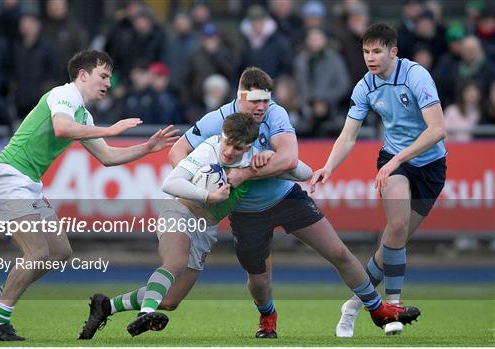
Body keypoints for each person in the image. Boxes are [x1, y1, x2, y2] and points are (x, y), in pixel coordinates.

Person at [168, 66, 421, 339]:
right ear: (240, 97)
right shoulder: (216, 120)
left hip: (286, 197)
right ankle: (267, 315)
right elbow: (177, 151)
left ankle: (377, 310)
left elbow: (289, 160)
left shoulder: (276, 113)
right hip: (246, 212)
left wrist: (245, 173)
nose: (262, 106)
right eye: (255, 101)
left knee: (337, 252)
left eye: (266, 100)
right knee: (260, 281)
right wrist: (205, 182)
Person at [0, 50, 180, 341]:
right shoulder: (64, 95)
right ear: (83, 75)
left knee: (60, 252)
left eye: (110, 77)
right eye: (103, 76)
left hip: (27, 183)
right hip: (9, 178)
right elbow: (61, 128)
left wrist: (147, 149)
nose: (108, 83)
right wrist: (110, 129)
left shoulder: (82, 114)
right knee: (37, 253)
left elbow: (108, 157)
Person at [78, 112, 313, 339]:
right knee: (176, 261)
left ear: (249, 146)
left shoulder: (255, 161)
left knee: (170, 301)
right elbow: (170, 183)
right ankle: (146, 313)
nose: (230, 151)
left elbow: (304, 172)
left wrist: (272, 158)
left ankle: (105, 306)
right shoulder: (209, 149)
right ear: (222, 135)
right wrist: (208, 196)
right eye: (228, 143)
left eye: (238, 148)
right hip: (179, 210)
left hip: (205, 227)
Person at [310, 23, 447, 338]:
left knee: (392, 245)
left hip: (430, 166)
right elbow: (348, 136)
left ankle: (355, 304)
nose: (370, 58)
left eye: (377, 51)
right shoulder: (364, 87)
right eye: (366, 51)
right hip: (393, 163)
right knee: (396, 228)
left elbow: (438, 130)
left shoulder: (416, 76)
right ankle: (393, 307)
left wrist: (400, 158)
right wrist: (328, 167)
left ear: (393, 52)